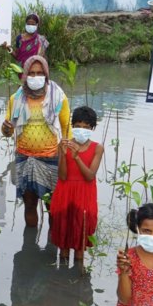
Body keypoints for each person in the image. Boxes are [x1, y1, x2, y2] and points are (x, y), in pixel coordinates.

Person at [0, 55, 73, 228]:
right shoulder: (15, 99)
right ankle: (30, 243)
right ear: (25, 75)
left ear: (46, 75)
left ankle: (52, 246)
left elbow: (66, 128)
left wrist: (67, 156)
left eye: (39, 73)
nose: (35, 77)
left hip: (52, 159)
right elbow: (7, 132)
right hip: (25, 158)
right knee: (29, 204)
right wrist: (6, 128)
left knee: (53, 207)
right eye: (31, 73)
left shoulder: (58, 96)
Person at [49, 105, 104, 265]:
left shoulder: (97, 148)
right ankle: (62, 275)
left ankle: (78, 277)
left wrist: (77, 157)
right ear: (72, 126)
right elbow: (63, 176)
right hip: (65, 192)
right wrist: (64, 155)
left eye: (86, 127)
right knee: (64, 240)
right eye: (78, 126)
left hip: (84, 194)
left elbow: (89, 176)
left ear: (92, 128)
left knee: (81, 241)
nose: (82, 130)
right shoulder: (65, 145)